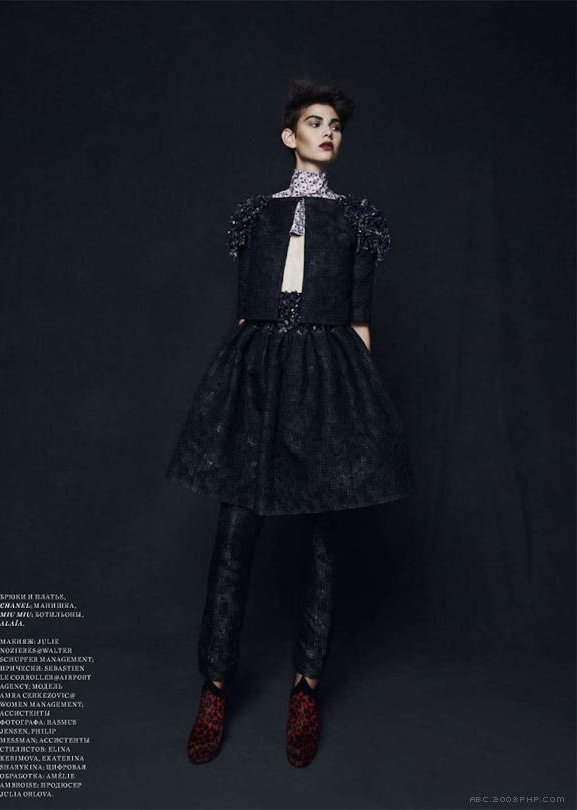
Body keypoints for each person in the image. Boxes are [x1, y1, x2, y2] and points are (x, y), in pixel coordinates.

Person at [165, 77, 416, 767]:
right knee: (234, 533)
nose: (327, 132)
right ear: (290, 135)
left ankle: (306, 689)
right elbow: (246, 313)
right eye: (314, 122)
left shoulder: (359, 220)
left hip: (329, 378)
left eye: (335, 125)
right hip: (259, 374)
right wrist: (234, 397)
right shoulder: (255, 216)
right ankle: (214, 688)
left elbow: (360, 323)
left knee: (324, 538)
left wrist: (362, 415)